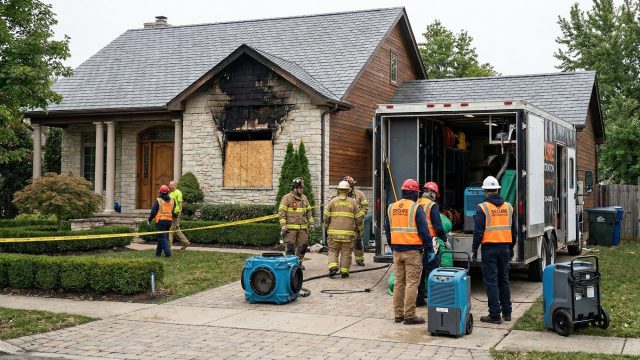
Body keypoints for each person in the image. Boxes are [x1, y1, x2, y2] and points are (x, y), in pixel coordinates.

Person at [384, 179, 434, 325]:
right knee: (412, 283)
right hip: (412, 251)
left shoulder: (391, 207)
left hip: (397, 251)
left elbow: (387, 229)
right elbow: (424, 231)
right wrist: (429, 249)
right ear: (414, 194)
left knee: (399, 283)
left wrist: (393, 245)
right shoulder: (416, 208)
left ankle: (398, 314)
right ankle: (410, 315)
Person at [472, 176, 517, 324]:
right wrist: (511, 247)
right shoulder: (509, 207)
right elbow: (514, 230)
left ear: (485, 191)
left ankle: (494, 315)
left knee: (491, 282)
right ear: (498, 189)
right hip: (504, 248)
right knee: (504, 280)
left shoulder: (483, 208)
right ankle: (508, 313)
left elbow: (478, 232)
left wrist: (474, 250)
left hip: (489, 249)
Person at [415, 181, 447, 307]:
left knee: (419, 272)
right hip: (431, 242)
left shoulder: (415, 203)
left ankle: (419, 299)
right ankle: (436, 300)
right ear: (433, 193)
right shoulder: (432, 206)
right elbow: (438, 226)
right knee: (432, 272)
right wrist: (444, 239)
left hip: (416, 242)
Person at [325, 180, 364, 278]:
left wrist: (326, 226)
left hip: (333, 234)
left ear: (338, 190)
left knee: (333, 251)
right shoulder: (353, 202)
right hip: (348, 234)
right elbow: (359, 218)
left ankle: (333, 267)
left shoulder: (332, 201)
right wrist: (359, 229)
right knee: (346, 252)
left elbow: (325, 216)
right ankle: (344, 271)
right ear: (347, 190)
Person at [278, 177, 315, 268]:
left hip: (302, 228)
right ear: (295, 188)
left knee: (303, 246)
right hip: (290, 229)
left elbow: (309, 212)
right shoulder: (286, 198)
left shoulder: (304, 198)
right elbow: (281, 212)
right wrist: (283, 225)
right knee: (290, 247)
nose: (302, 189)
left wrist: (312, 223)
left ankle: (299, 263)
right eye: (301, 188)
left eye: (302, 188)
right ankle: (289, 264)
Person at [343, 176, 369, 266]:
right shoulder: (341, 195)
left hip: (357, 223)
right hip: (346, 223)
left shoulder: (359, 194)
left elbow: (365, 207)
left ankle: (359, 259)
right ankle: (345, 260)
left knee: (358, 241)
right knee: (346, 243)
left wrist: (360, 215)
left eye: (349, 186)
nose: (348, 188)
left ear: (352, 185)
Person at [148, 185, 175, 258]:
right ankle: (158, 253)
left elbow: (153, 212)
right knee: (162, 237)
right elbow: (173, 211)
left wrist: (149, 220)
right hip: (169, 221)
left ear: (160, 192)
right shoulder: (172, 200)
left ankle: (168, 254)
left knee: (162, 238)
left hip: (160, 221)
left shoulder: (158, 200)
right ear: (168, 192)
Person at [168, 180, 191, 250]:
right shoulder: (171, 193)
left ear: (174, 186)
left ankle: (168, 246)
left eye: (170, 185)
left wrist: (178, 212)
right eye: (169, 185)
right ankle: (186, 242)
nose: (169, 186)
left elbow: (180, 203)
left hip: (176, 213)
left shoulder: (178, 192)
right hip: (171, 213)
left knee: (171, 229)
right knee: (176, 229)